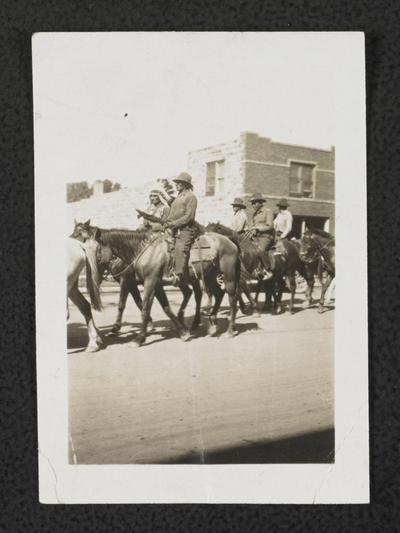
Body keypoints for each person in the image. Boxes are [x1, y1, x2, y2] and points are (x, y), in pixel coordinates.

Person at [163, 172, 198, 285]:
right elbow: (173, 214)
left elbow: (189, 217)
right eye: (176, 183)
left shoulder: (191, 197)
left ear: (185, 184)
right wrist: (166, 222)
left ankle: (178, 274)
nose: (176, 184)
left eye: (179, 183)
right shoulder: (178, 197)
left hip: (185, 230)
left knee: (179, 247)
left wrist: (173, 224)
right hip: (174, 229)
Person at [248, 192, 274, 279]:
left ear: (260, 203)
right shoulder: (254, 214)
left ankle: (268, 270)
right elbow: (252, 226)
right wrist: (251, 231)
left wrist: (258, 228)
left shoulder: (268, 211)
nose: (253, 205)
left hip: (266, 236)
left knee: (260, 250)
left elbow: (270, 226)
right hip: (256, 237)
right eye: (252, 203)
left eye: (254, 202)